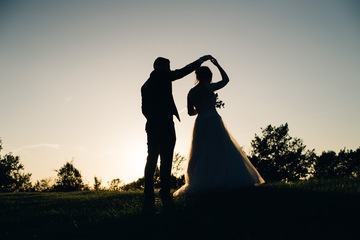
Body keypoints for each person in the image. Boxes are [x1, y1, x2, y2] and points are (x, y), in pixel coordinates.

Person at [173, 57, 265, 197]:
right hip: (213, 120)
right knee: (220, 148)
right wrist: (218, 65)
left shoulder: (191, 92)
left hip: (201, 122)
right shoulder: (209, 87)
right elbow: (226, 80)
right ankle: (223, 179)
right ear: (208, 76)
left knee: (202, 151)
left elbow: (191, 112)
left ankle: (202, 180)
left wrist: (202, 108)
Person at [141, 55, 212, 212]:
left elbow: (144, 109)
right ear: (160, 66)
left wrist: (152, 119)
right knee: (166, 159)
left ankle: (149, 195)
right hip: (164, 124)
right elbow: (182, 72)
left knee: (152, 158)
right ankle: (164, 193)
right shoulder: (163, 75)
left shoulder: (145, 86)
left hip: (152, 125)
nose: (169, 69)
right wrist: (200, 61)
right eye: (168, 66)